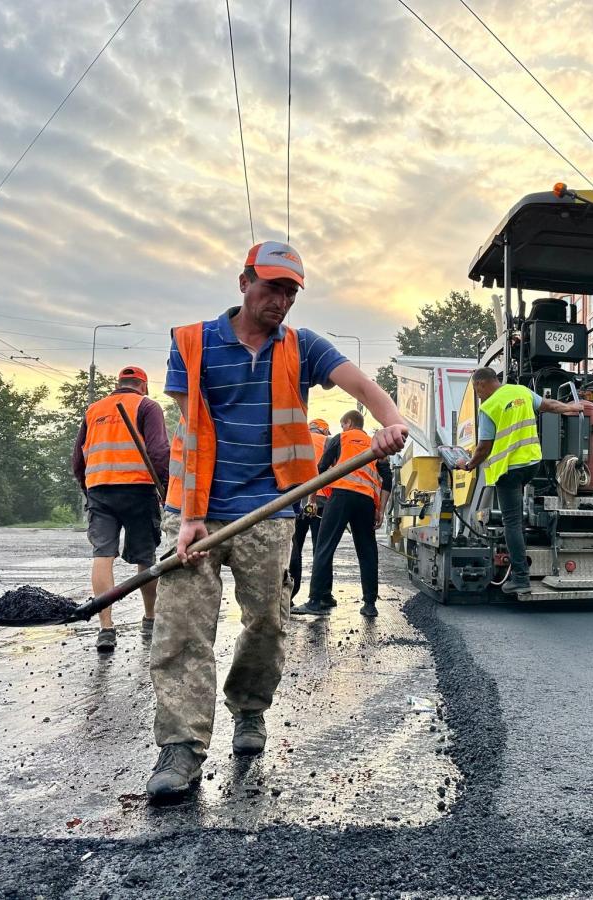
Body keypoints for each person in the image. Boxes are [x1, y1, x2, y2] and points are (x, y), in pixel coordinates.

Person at [147, 240, 407, 803]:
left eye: (290, 292)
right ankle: (181, 747)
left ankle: (249, 709)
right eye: (272, 288)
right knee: (183, 627)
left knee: (266, 621)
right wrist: (189, 515)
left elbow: (363, 387)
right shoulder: (192, 343)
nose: (281, 301)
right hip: (197, 511)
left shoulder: (303, 347)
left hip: (270, 510)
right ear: (244, 282)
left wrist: (390, 423)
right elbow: (188, 433)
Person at [456, 368, 584, 596]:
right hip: (531, 464)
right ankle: (521, 566)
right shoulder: (522, 391)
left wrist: (468, 465)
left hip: (508, 470)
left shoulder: (488, 407)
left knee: (512, 523)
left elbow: (484, 447)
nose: (478, 396)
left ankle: (520, 578)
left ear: (481, 384)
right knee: (518, 517)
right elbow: (551, 406)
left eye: (476, 391)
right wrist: (573, 408)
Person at [71, 365, 169, 653]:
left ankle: (106, 628)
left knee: (103, 555)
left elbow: (78, 458)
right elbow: (159, 451)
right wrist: (165, 488)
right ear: (144, 386)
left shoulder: (94, 410)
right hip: (138, 490)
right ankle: (150, 620)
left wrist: (87, 488)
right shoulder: (147, 406)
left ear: (118, 384)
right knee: (145, 557)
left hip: (100, 489)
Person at [292, 409, 393, 618]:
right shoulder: (375, 444)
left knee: (324, 546)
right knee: (367, 551)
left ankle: (315, 601)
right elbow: (387, 478)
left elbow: (320, 469)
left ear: (347, 423)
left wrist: (311, 500)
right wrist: (380, 510)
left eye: (343, 424)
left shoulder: (341, 438)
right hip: (365, 501)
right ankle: (369, 604)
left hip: (340, 497)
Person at [288, 417, 330, 599]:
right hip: (320, 501)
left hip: (296, 500)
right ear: (324, 430)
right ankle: (322, 595)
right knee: (321, 549)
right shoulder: (329, 441)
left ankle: (288, 596)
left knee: (293, 548)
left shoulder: (297, 439)